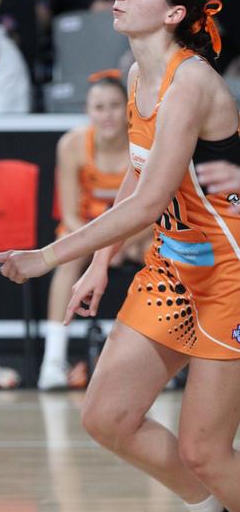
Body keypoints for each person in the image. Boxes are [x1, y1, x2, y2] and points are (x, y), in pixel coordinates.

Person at [0, 0, 240, 512]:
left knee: (206, 447)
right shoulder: (134, 74)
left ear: (174, 13)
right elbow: (136, 173)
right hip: (173, 268)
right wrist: (98, 261)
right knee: (106, 417)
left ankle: (214, 495)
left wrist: (48, 255)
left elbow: (149, 201)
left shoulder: (193, 84)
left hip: (230, 277)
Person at [37, 71, 148, 390]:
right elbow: (70, 215)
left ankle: (156, 362)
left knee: (162, 253)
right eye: (99, 107)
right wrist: (101, 247)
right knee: (65, 259)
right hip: (89, 231)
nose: (108, 114)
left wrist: (121, 245)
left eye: (115, 105)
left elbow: (154, 208)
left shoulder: (141, 144)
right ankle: (54, 362)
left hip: (136, 233)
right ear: (88, 111)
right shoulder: (72, 144)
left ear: (127, 108)